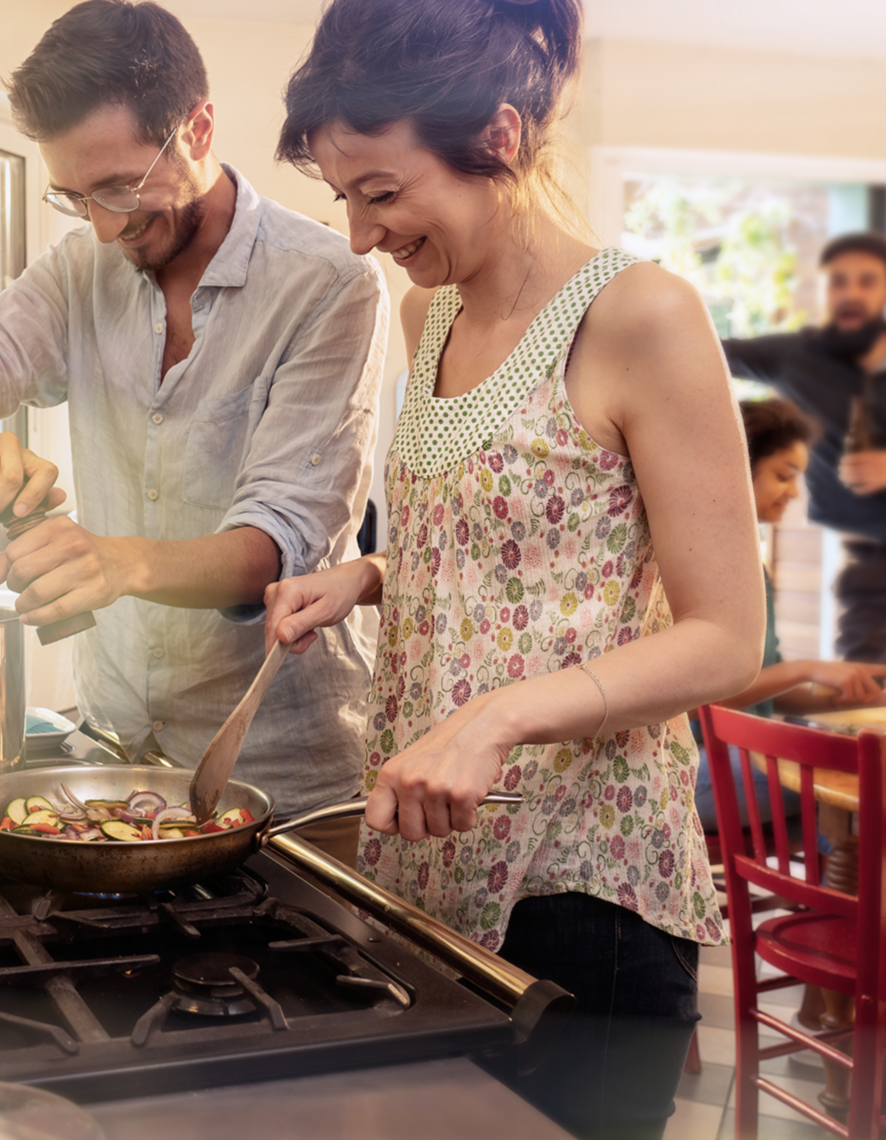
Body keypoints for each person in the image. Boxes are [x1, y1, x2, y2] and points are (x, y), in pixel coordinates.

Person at [264, 0, 763, 1136]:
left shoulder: (640, 315)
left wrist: (493, 719)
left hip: (582, 880)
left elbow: (726, 634)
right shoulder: (424, 308)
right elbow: (528, 536)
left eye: (379, 194)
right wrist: (372, 574)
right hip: (432, 866)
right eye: (341, 198)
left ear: (494, 136)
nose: (356, 234)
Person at [0, 0, 389, 862]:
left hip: (285, 778)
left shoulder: (331, 283)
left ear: (197, 127)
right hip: (114, 757)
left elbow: (282, 544)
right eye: (75, 194)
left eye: (121, 186)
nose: (105, 224)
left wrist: (116, 562)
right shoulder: (83, 266)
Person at [695, 397, 886, 831]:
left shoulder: (754, 567)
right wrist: (806, 668)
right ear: (739, 469)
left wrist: (843, 693)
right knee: (859, 782)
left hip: (746, 758)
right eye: (785, 475)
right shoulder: (699, 565)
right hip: (694, 770)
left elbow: (770, 687)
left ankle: (847, 889)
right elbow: (690, 704)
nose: (796, 491)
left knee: (857, 798)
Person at [723, 233, 886, 662]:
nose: (851, 292)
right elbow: (699, 354)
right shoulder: (797, 355)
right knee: (865, 680)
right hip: (867, 550)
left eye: (867, 281)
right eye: (839, 281)